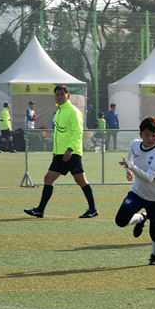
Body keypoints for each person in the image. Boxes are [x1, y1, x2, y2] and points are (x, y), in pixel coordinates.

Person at [24, 85, 98, 219]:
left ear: (68, 96)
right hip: (60, 154)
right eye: (57, 94)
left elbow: (77, 133)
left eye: (62, 94)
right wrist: (55, 153)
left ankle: (93, 209)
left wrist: (70, 149)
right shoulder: (58, 112)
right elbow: (58, 135)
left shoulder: (73, 111)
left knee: (81, 180)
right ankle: (40, 210)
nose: (59, 97)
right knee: (48, 178)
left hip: (72, 153)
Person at [116, 116, 155, 265]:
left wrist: (131, 167)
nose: (150, 138)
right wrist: (128, 171)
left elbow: (150, 178)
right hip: (138, 192)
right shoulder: (134, 144)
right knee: (120, 220)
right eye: (147, 135)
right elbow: (130, 158)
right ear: (141, 135)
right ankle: (141, 218)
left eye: (154, 135)